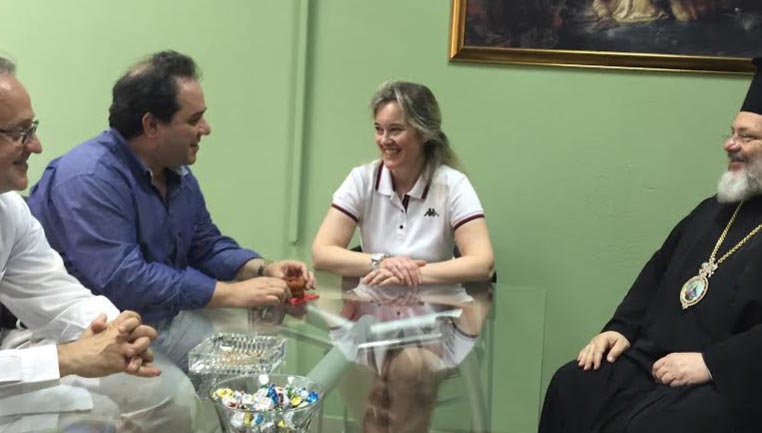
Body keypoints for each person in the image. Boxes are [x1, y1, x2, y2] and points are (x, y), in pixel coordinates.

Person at [27, 50, 315, 371]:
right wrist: (230, 294)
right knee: (175, 395)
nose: (206, 128)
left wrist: (261, 269)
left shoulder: (176, 172)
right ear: (151, 125)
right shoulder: (88, 177)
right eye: (193, 120)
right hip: (91, 332)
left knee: (245, 372)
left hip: (157, 318)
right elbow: (126, 279)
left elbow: (204, 245)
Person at [539, 57, 762, 433]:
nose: (730, 144)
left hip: (729, 380)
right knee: (573, 386)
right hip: (652, 362)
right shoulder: (712, 211)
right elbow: (656, 274)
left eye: (747, 137)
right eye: (731, 133)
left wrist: (711, 364)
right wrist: (620, 328)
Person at [0, 56, 201, 432]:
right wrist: (66, 358)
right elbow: (125, 276)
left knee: (159, 398)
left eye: (32, 129)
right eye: (19, 133)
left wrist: (118, 330)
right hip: (13, 349)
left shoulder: (5, 209)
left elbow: (56, 294)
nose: (36, 145)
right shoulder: (86, 174)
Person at [311, 80, 495, 287]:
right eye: (379, 129)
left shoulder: (452, 184)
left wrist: (411, 274)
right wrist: (382, 262)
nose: (384, 140)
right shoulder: (362, 179)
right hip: (372, 303)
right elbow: (321, 253)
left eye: (395, 130)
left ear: (424, 134)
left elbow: (483, 264)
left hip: (437, 304)